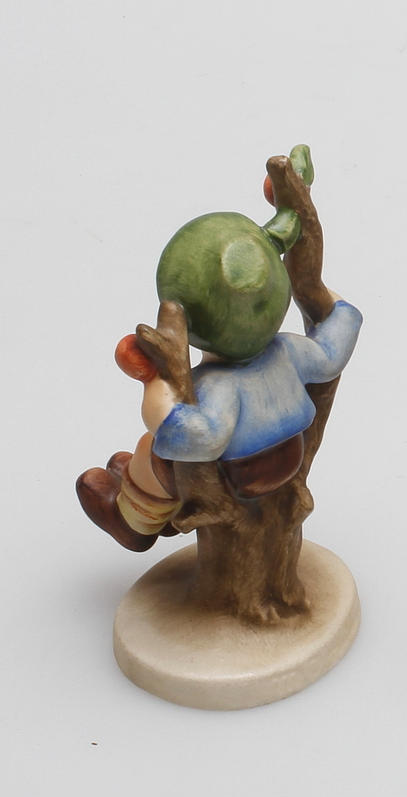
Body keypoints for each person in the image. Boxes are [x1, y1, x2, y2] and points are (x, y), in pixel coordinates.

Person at [77, 197, 361, 552]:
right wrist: (329, 300)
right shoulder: (292, 350)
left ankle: (134, 520)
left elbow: (202, 437)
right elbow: (332, 352)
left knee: (153, 449)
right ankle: (146, 487)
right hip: (290, 454)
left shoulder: (219, 386)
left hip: (242, 476)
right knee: (158, 454)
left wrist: (154, 384)